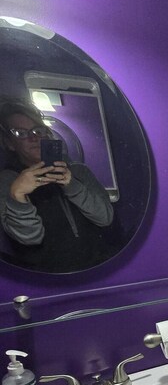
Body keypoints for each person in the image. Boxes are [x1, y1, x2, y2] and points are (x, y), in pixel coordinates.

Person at [0, 99, 115, 272]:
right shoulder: (8, 181)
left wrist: (71, 185)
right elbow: (30, 238)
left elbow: (105, 218)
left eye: (38, 130)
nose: (34, 137)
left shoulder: (78, 171)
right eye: (20, 133)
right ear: (9, 143)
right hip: (50, 279)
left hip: (98, 267)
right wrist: (18, 197)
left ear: (47, 134)